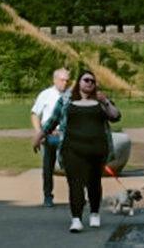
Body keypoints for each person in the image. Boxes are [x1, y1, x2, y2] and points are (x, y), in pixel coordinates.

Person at [34, 69, 121, 233]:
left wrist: (106, 102)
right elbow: (53, 120)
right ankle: (76, 219)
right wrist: (39, 135)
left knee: (93, 183)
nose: (89, 83)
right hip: (72, 149)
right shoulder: (66, 100)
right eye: (86, 80)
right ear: (79, 82)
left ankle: (94, 213)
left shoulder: (100, 100)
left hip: (96, 150)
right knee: (75, 184)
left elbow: (116, 116)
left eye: (92, 81)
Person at [31, 67, 70, 207]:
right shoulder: (46, 94)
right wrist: (38, 132)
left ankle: (75, 195)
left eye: (67, 80)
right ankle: (48, 196)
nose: (65, 83)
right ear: (55, 80)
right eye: (62, 80)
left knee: (70, 167)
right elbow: (35, 114)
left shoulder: (71, 95)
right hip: (49, 135)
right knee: (48, 167)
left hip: (66, 135)